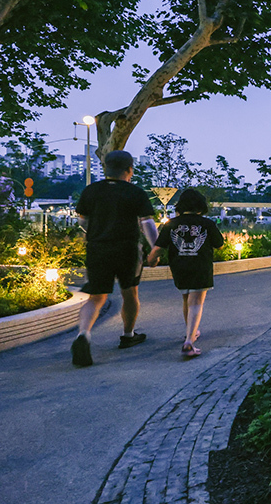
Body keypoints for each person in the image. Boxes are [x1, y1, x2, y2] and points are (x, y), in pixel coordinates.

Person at [71, 150, 159, 368]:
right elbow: (147, 223)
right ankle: (128, 335)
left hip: (98, 249)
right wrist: (155, 248)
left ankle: (83, 334)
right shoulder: (135, 192)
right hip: (127, 249)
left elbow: (82, 221)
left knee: (96, 297)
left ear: (105, 168)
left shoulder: (92, 191)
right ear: (129, 170)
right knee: (130, 292)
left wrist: (97, 232)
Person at [146, 189, 224, 357]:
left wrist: (151, 260)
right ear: (201, 206)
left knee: (186, 298)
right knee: (196, 302)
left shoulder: (171, 224)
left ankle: (191, 331)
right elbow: (220, 245)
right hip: (200, 266)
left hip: (179, 267)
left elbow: (158, 248)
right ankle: (189, 342)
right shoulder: (207, 224)